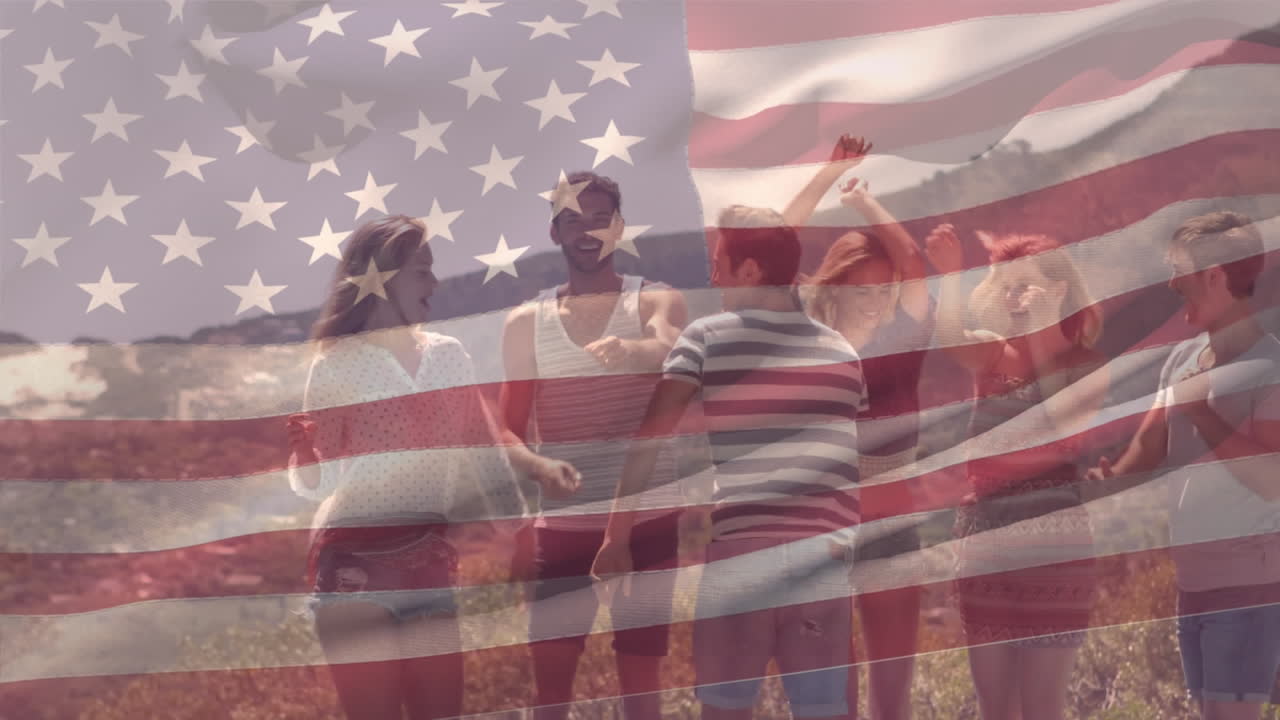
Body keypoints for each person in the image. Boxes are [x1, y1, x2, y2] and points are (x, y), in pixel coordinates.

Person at [593, 205, 868, 720]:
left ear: (751, 270)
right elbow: (855, 465)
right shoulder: (842, 351)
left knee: (725, 709)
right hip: (823, 559)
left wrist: (616, 536)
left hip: (743, 555)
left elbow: (651, 436)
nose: (714, 277)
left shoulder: (705, 336)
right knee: (824, 710)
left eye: (721, 264)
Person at [285, 215, 527, 720]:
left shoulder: (449, 357)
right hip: (354, 570)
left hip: (430, 567)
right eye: (422, 271)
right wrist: (305, 457)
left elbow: (484, 452)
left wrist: (522, 534)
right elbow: (319, 484)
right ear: (383, 278)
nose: (435, 283)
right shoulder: (336, 364)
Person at [497, 171, 688, 720]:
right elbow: (507, 432)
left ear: (619, 227)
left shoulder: (655, 299)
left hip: (648, 518)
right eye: (573, 221)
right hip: (563, 525)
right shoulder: (525, 323)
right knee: (551, 686)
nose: (588, 232)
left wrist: (632, 351)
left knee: (640, 683)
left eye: (600, 219)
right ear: (554, 232)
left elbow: (669, 344)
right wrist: (538, 465)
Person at [1085, 211, 1280, 720]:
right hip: (1194, 585)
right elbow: (1149, 446)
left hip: (1251, 588)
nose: (1172, 284)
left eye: (1179, 271)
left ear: (1214, 275)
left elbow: (1271, 479)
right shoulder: (1182, 361)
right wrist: (1109, 478)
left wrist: (1201, 411)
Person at [926, 224, 1110, 720]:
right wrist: (949, 277)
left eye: (1024, 285)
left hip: (1055, 541)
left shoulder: (1086, 363)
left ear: (1059, 290)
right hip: (984, 535)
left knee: (1041, 706)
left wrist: (1044, 334)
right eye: (1006, 287)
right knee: (996, 706)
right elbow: (950, 338)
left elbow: (1062, 427)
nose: (1013, 296)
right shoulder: (991, 350)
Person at [783, 134, 931, 720]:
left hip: (893, 531)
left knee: (892, 696)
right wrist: (826, 175)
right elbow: (774, 248)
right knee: (830, 694)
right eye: (861, 289)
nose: (875, 300)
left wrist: (865, 202)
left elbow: (914, 262)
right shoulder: (806, 339)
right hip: (821, 534)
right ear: (835, 286)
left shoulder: (905, 340)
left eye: (883, 289)